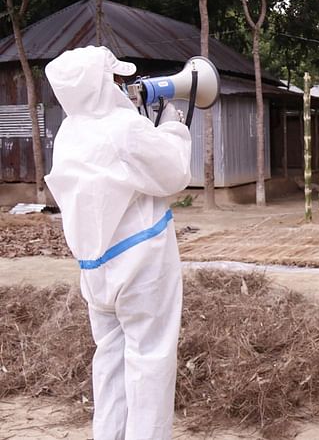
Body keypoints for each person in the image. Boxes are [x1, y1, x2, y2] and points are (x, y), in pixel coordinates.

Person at [44, 46, 192, 439]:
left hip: (97, 272)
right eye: (116, 79)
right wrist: (174, 126)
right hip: (141, 266)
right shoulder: (124, 130)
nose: (123, 86)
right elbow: (174, 174)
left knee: (110, 362)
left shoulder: (70, 134)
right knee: (150, 361)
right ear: (101, 85)